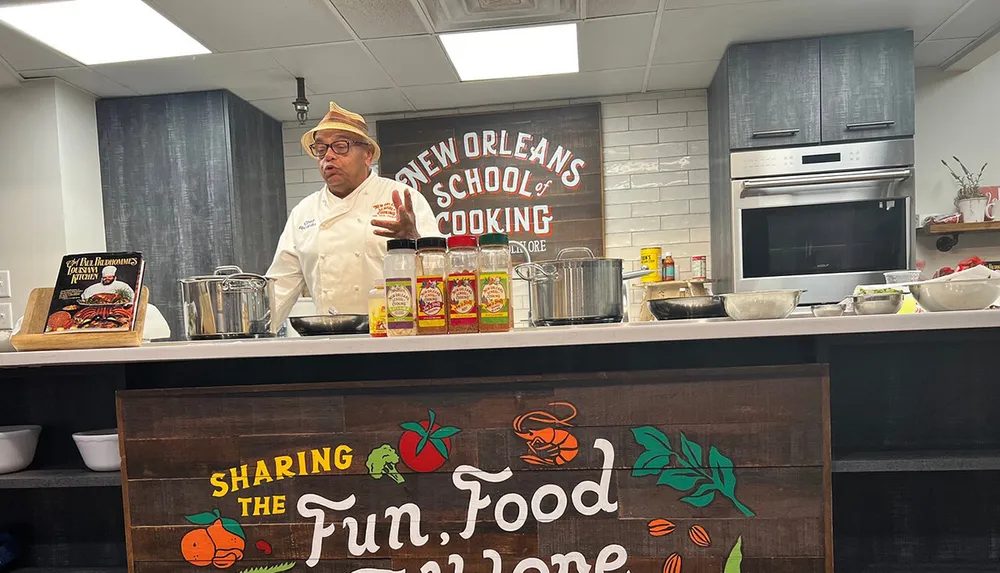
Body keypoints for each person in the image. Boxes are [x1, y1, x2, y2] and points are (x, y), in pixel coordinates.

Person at [267, 102, 440, 325]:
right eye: (320, 149)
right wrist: (249, 341)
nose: (327, 156)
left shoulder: (402, 198)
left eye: (340, 146)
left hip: (397, 338)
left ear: (367, 154)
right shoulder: (304, 212)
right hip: (332, 343)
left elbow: (438, 276)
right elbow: (280, 288)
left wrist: (415, 242)